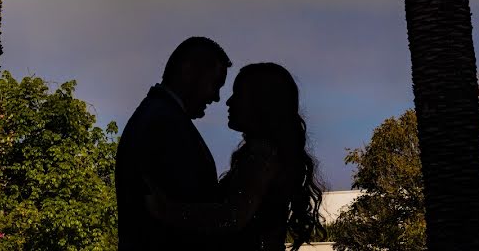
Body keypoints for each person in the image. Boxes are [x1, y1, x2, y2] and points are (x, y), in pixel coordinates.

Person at [145, 62, 326, 250]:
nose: (228, 102)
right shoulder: (269, 155)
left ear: (260, 102)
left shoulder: (262, 157)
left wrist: (167, 211)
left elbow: (232, 217)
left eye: (238, 94)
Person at [115, 36, 231, 251]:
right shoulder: (165, 123)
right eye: (215, 84)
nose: (216, 97)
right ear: (188, 72)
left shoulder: (155, 116)